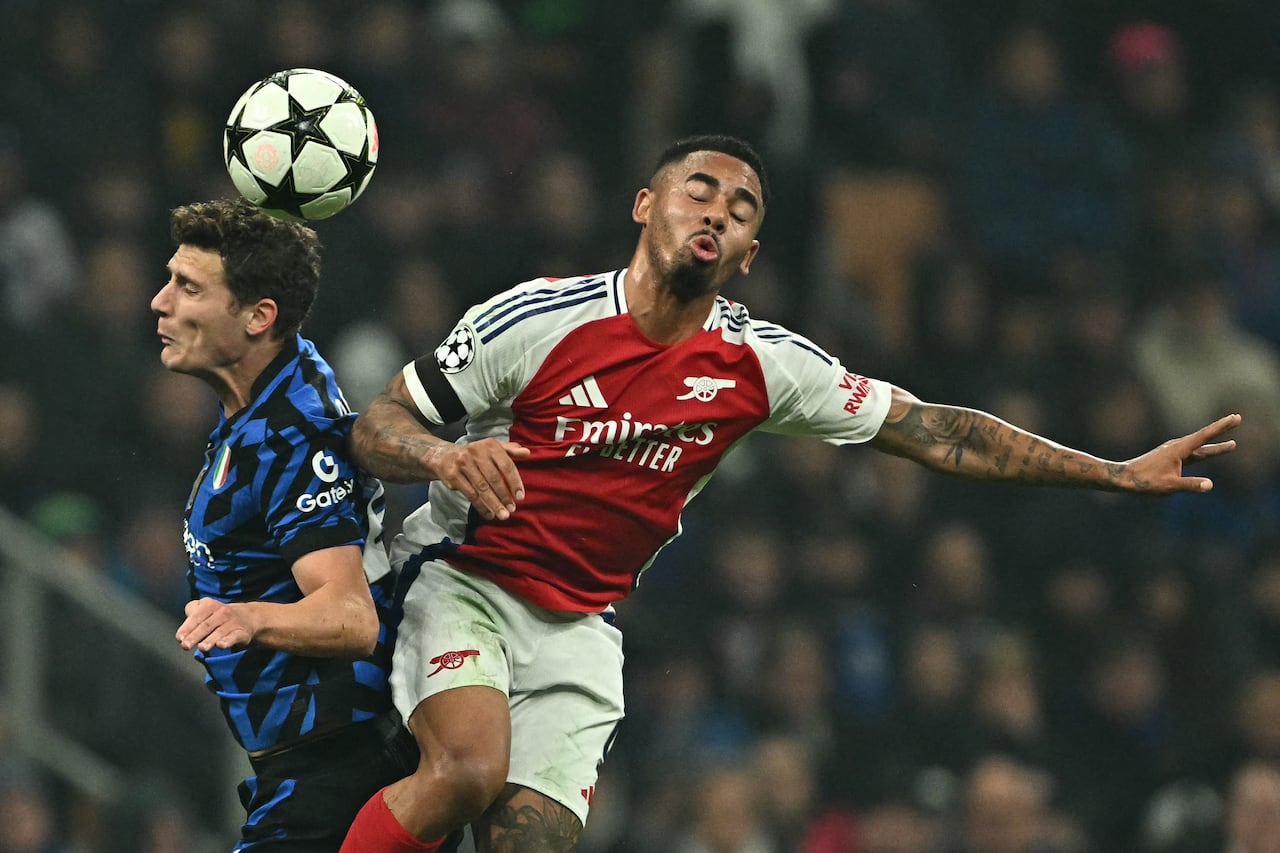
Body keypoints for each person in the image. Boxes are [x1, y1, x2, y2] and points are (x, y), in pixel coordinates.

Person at [338, 135, 1241, 852]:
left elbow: (929, 428)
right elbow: (377, 427)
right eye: (700, 190)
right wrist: (445, 459)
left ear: (748, 254)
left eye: (741, 211)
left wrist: (1111, 471)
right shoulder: (536, 319)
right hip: (467, 579)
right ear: (646, 206)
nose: (718, 213)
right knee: (466, 770)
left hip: (579, 624)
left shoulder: (762, 364)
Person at [150, 198, 418, 851]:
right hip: (310, 769)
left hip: (339, 768)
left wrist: (251, 617)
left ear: (258, 316)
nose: (161, 302)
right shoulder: (262, 399)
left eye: (188, 287)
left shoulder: (290, 437)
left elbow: (352, 616)